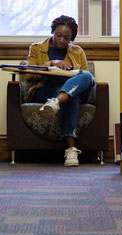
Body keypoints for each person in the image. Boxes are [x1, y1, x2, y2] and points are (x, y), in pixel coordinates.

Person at [24, 14, 95, 167]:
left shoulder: (78, 51)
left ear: (72, 38)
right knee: (71, 98)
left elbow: (84, 77)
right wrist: (52, 63)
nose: (61, 40)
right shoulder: (36, 48)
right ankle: (70, 150)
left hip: (71, 88)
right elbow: (28, 75)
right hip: (46, 90)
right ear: (52, 31)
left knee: (87, 76)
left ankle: (57, 102)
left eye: (66, 38)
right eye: (58, 35)